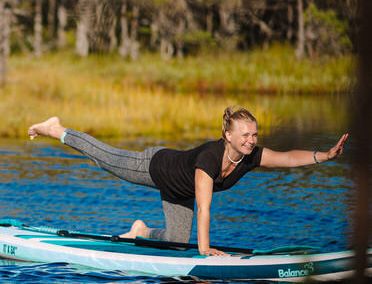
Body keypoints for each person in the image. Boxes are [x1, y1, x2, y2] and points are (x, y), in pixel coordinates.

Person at [27, 107, 349, 256]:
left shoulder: (250, 156)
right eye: (245, 135)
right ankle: (57, 129)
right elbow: (204, 208)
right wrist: (206, 250)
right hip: (155, 166)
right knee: (106, 158)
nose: (252, 140)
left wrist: (325, 155)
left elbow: (288, 158)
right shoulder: (209, 159)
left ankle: (141, 231)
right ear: (228, 135)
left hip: (177, 191)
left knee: (174, 243)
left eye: (254, 134)